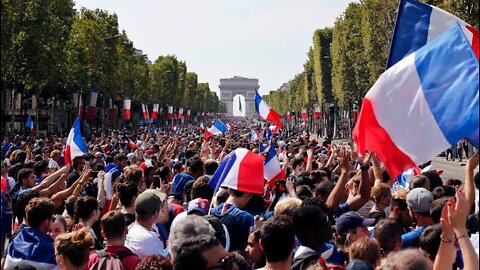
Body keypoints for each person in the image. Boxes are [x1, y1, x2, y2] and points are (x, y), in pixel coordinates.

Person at [4, 198, 57, 269]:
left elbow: (3, 264)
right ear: (46, 222)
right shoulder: (53, 249)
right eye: (52, 219)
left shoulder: (14, 241)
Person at [292, 205, 342, 270]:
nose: (329, 224)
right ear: (310, 231)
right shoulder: (307, 265)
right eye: (324, 221)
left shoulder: (305, 260)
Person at [125, 189, 167, 258]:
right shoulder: (149, 239)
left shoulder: (129, 228)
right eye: (160, 207)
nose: (163, 209)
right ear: (155, 213)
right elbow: (160, 262)